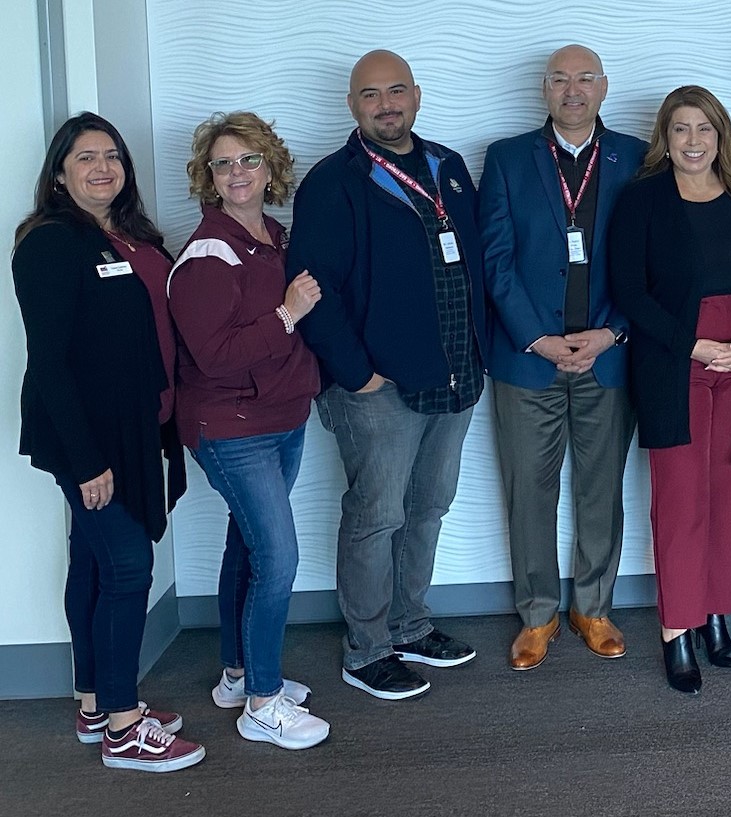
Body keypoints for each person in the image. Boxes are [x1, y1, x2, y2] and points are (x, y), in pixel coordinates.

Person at [288, 50, 486, 700]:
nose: (386, 103)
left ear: (417, 95)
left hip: (454, 378)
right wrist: (358, 375)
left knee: (427, 507)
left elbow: (474, 265)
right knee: (377, 514)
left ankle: (409, 624)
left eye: (396, 90)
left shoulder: (448, 168)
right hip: (378, 389)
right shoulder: (332, 182)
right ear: (353, 106)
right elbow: (312, 288)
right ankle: (366, 649)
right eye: (370, 95)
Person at [11, 112, 203, 772]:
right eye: (86, 156)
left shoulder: (131, 237)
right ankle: (125, 726)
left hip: (136, 422)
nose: (102, 167)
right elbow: (50, 360)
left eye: (112, 156)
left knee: (94, 562)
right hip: (87, 436)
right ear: (60, 172)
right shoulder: (50, 242)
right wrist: (86, 459)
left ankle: (95, 704)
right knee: (127, 566)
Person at [608, 85, 731, 695]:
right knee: (680, 500)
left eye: (703, 129)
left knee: (728, 493)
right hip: (674, 363)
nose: (692, 141)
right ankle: (676, 628)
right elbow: (629, 290)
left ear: (720, 136)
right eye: (680, 129)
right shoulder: (642, 200)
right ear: (666, 136)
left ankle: (715, 614)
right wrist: (692, 344)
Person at [480, 45, 647, 671]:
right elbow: (494, 261)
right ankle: (538, 614)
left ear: (603, 87)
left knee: (601, 490)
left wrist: (613, 333)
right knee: (529, 490)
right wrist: (536, 339)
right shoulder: (505, 159)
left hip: (607, 354)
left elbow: (653, 260)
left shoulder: (636, 157)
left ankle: (593, 607)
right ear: (543, 89)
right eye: (559, 80)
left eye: (584, 79)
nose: (572, 90)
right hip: (529, 360)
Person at [167, 112, 328, 749]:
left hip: (279, 419)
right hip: (232, 428)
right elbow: (215, 355)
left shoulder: (273, 237)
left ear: (271, 168)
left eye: (250, 160)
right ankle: (264, 703)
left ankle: (238, 674)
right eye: (224, 163)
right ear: (208, 177)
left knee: (249, 546)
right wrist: (288, 314)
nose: (238, 172)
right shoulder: (209, 256)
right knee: (279, 558)